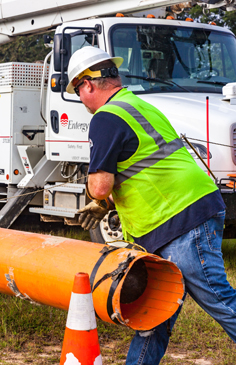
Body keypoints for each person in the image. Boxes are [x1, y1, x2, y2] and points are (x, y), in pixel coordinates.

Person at [68, 47, 236, 364]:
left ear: (88, 84)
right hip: (183, 213)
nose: (81, 101)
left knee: (217, 298)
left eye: (78, 92)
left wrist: (98, 199)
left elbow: (100, 184)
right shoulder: (137, 105)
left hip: (180, 218)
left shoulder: (105, 117)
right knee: (156, 308)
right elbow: (141, 164)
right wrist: (108, 204)